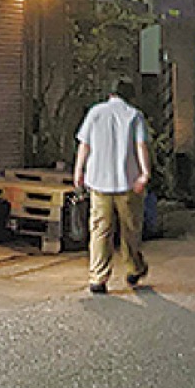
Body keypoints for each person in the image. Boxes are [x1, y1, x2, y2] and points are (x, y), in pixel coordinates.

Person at [73, 77, 151, 294]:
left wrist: (78, 170)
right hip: (128, 182)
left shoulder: (95, 112)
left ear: (110, 94)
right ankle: (134, 269)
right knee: (130, 230)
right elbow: (141, 145)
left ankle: (98, 277)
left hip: (98, 182)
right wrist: (145, 173)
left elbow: (84, 144)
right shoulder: (134, 115)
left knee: (100, 231)